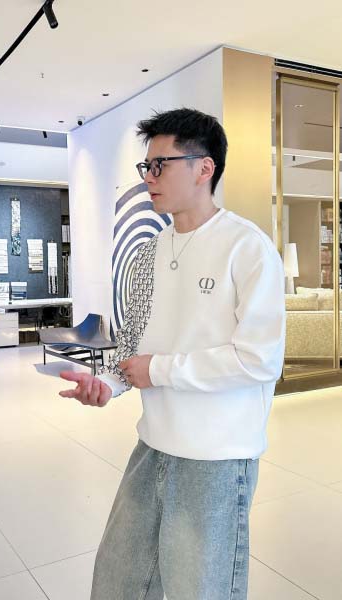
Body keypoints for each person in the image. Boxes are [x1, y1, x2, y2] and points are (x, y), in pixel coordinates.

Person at [59, 108, 285, 600]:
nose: (149, 178)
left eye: (160, 165)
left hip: (217, 459)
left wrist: (158, 370)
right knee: (116, 583)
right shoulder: (150, 252)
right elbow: (135, 345)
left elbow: (260, 359)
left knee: (199, 591)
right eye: (146, 166)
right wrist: (108, 384)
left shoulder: (247, 248)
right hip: (153, 446)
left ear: (205, 168)